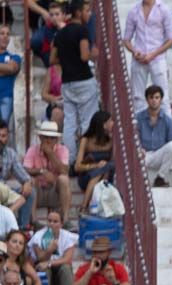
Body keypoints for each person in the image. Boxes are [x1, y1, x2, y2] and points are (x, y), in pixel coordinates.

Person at [54, 0, 99, 164]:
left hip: (67, 83)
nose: (89, 14)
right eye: (86, 10)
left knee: (69, 123)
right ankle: (84, 157)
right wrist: (94, 53)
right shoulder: (82, 31)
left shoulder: (60, 33)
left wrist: (66, 59)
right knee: (88, 121)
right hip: (84, 80)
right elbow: (84, 56)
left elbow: (53, 58)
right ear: (79, 13)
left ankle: (70, 160)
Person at [122, 0, 172, 115]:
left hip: (158, 58)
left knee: (163, 97)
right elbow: (126, 39)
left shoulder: (163, 9)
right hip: (139, 58)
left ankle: (166, 129)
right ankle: (139, 129)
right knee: (137, 97)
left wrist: (154, 54)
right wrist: (135, 51)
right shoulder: (134, 11)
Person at [23, 121, 71, 229]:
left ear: (57, 140)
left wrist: (50, 153)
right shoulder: (32, 149)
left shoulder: (63, 150)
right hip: (38, 192)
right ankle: (34, 220)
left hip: (55, 192)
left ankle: (66, 219)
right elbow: (25, 169)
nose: (49, 140)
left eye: (52, 138)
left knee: (64, 179)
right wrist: (42, 171)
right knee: (30, 180)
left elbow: (64, 171)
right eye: (46, 137)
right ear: (40, 138)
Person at [136, 84, 172, 188]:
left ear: (161, 99)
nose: (154, 100)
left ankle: (160, 178)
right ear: (147, 99)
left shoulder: (167, 120)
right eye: (151, 97)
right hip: (143, 156)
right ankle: (138, 182)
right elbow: (134, 139)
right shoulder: (138, 118)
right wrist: (139, 149)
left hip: (159, 156)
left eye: (157, 97)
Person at [73, 110, 113, 216]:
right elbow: (77, 167)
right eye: (110, 121)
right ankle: (84, 206)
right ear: (103, 124)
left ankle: (86, 206)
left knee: (107, 167)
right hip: (87, 176)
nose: (112, 124)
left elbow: (113, 161)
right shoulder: (86, 140)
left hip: (106, 175)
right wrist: (95, 166)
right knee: (99, 170)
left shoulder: (111, 140)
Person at [30, 208, 78, 285]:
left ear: (61, 224)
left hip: (61, 272)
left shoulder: (68, 237)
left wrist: (49, 263)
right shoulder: (38, 236)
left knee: (66, 268)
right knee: (44, 269)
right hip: (45, 270)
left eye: (55, 221)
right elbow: (40, 259)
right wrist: (49, 250)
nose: (51, 224)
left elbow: (67, 259)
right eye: (49, 221)